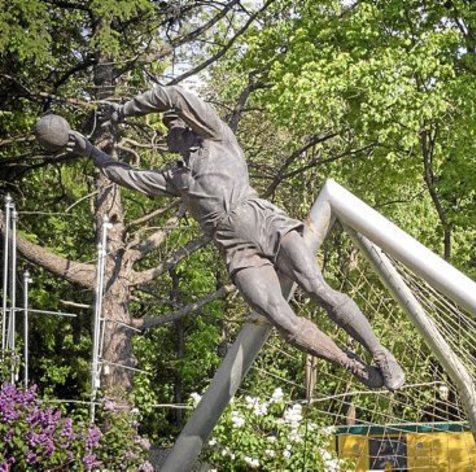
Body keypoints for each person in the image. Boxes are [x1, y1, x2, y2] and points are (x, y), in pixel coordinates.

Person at [66, 85, 405, 390]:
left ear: (190, 125)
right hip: (238, 251)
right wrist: (90, 151)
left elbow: (174, 96)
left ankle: (381, 353)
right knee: (280, 317)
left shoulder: (218, 139)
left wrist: (124, 110)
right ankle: (350, 364)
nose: (172, 132)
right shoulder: (177, 179)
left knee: (317, 287)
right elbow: (127, 176)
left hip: (268, 225)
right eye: (169, 128)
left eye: (176, 124)